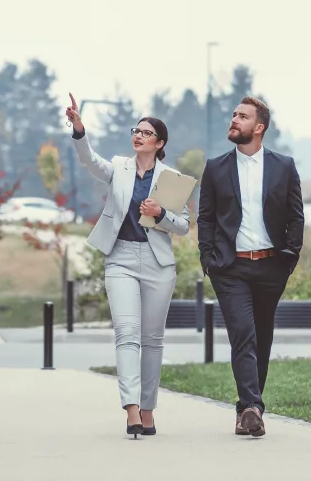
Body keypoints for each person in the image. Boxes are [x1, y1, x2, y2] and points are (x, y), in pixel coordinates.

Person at [65, 92, 190, 438]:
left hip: (157, 263)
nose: (138, 135)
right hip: (119, 257)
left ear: (159, 143)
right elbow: (90, 161)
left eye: (146, 133)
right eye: (136, 130)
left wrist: (160, 214)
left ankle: (148, 412)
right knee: (127, 334)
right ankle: (131, 410)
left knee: (152, 340)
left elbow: (183, 224)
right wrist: (79, 130)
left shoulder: (172, 179)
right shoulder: (119, 167)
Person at [197, 96, 304, 438]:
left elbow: (295, 215)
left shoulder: (283, 166)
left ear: (259, 127)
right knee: (243, 335)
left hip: (271, 266)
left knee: (262, 337)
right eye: (233, 115)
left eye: (242, 116)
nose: (234, 120)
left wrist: (290, 255)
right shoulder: (216, 167)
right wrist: (209, 259)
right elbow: (206, 218)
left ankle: (247, 409)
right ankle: (253, 408)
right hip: (230, 268)